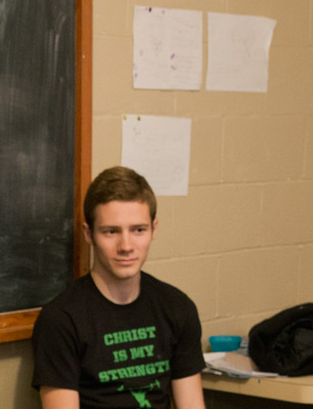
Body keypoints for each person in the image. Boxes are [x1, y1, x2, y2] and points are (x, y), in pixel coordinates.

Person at [30, 166, 206, 409]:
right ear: (88, 233)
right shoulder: (61, 320)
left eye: (138, 230)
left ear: (154, 229)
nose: (126, 245)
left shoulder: (177, 308)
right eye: (111, 231)